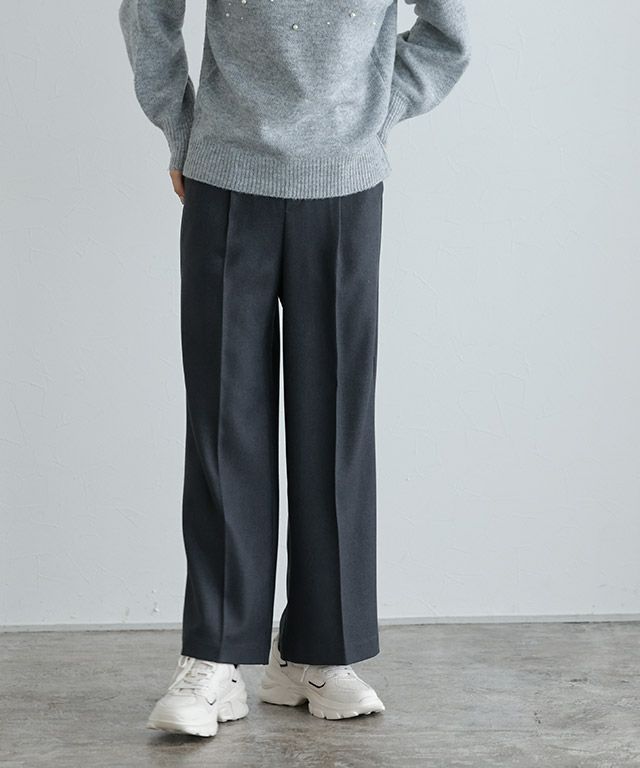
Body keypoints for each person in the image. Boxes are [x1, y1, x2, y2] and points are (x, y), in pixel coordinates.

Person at [118, 0, 470, 737]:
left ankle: (317, 651)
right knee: (225, 424)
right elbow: (149, 9)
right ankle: (216, 657)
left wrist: (375, 113)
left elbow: (448, 31)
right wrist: (182, 129)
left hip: (346, 181)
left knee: (335, 428)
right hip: (225, 174)